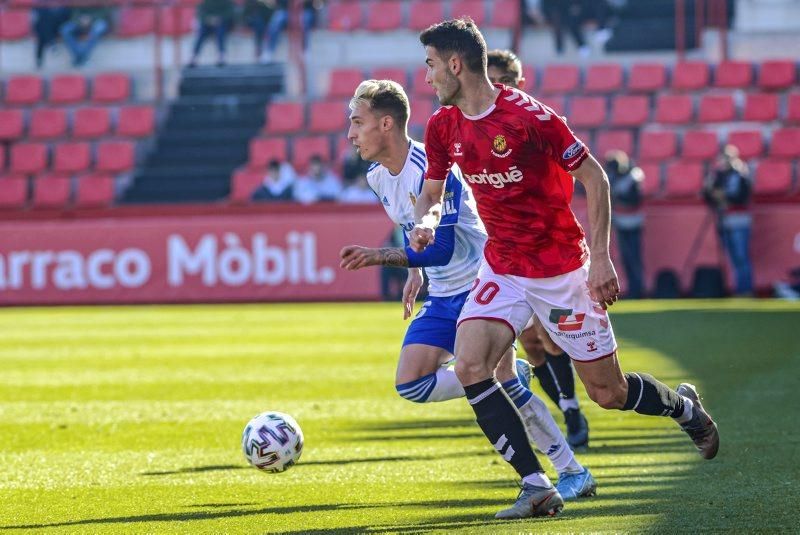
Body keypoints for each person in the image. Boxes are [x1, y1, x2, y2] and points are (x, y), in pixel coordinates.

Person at [411, 18, 719, 519]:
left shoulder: (530, 118)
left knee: (608, 393)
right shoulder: (443, 124)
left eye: (429, 65)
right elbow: (432, 190)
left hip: (560, 272)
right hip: (503, 266)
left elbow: (595, 179)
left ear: (454, 63)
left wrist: (601, 258)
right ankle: (536, 485)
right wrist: (423, 222)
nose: (425, 78)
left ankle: (683, 408)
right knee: (470, 365)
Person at [341, 78, 595, 503]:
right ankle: (503, 376)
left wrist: (381, 256)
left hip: (485, 285)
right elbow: (415, 229)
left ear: (386, 124)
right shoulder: (376, 176)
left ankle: (571, 469)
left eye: (356, 122)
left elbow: (440, 248)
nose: (350, 134)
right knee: (410, 384)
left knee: (498, 380)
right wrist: (412, 273)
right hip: (442, 293)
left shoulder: (434, 169)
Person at [486, 49, 590, 449]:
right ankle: (568, 408)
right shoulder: (477, 127)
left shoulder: (535, 122)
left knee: (550, 338)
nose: (497, 90)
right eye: (491, 81)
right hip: (506, 252)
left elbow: (575, 175)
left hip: (546, 251)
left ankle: (573, 408)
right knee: (530, 344)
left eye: (504, 82)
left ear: (519, 83)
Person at [702, 144, 753, 296]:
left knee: (741, 257)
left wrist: (724, 196)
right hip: (724, 220)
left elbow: (742, 197)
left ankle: (745, 290)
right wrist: (709, 189)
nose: (723, 162)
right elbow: (709, 198)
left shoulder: (741, 174)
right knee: (732, 257)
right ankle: (737, 289)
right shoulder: (718, 175)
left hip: (739, 220)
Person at [606, 150, 645, 299]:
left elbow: (635, 197)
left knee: (634, 256)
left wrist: (618, 195)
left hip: (634, 220)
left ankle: (638, 289)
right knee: (625, 257)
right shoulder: (613, 177)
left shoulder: (634, 175)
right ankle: (632, 288)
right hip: (621, 220)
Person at [189, 0, 236, 67]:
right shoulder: (206, 2)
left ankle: (221, 56)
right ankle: (194, 57)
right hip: (208, 24)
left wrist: (220, 19)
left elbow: (230, 13)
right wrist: (209, 19)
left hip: (222, 23)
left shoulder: (226, 2)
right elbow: (201, 13)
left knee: (220, 32)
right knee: (201, 33)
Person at [32, 2, 71, 69]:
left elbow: (66, 12)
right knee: (44, 18)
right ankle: (51, 42)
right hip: (46, 25)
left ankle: (40, 58)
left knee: (44, 27)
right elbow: (36, 10)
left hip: (58, 24)